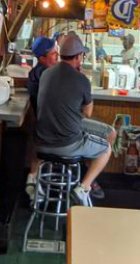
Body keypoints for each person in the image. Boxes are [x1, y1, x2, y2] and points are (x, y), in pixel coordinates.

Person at [34, 34, 112, 206]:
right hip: (67, 145)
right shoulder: (81, 79)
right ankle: (84, 187)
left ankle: (37, 183)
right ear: (78, 57)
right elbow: (88, 112)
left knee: (86, 133)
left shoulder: (46, 73)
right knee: (106, 148)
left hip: (40, 144)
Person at [24, 36, 59, 199]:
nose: (57, 55)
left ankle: (33, 179)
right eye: (53, 53)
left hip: (41, 125)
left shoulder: (35, 72)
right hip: (50, 127)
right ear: (42, 58)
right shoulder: (48, 74)